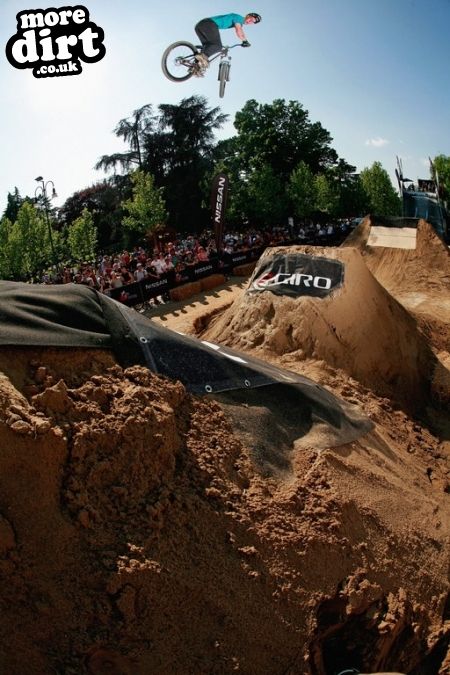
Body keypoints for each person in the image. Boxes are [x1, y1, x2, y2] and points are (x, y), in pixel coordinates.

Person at [194, 12, 261, 70]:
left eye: (252, 22)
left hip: (200, 26)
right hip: (208, 24)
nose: (250, 22)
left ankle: (195, 67)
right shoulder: (239, 18)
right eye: (251, 19)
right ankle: (201, 58)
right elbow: (239, 30)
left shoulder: (239, 20)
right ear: (248, 15)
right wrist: (245, 41)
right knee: (217, 46)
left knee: (209, 47)